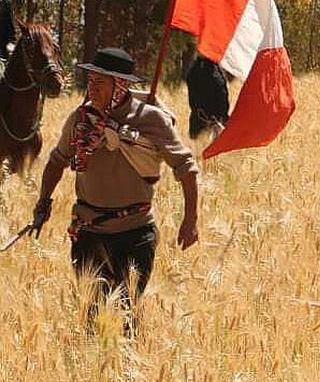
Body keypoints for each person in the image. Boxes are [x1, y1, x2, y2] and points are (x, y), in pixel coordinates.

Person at [30, 47, 199, 331]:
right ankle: (92, 374)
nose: (92, 88)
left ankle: (126, 373)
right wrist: (43, 203)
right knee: (92, 319)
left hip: (134, 235)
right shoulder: (81, 121)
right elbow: (57, 161)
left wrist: (190, 220)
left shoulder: (151, 121)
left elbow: (186, 168)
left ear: (120, 85)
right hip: (88, 232)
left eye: (100, 83)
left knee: (125, 317)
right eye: (91, 81)